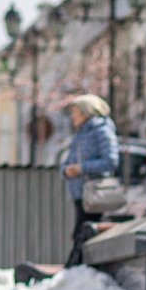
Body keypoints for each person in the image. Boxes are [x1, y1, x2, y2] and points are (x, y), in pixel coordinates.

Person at [60, 94, 119, 267]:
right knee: (80, 231)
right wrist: (66, 170)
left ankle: (75, 268)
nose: (72, 116)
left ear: (86, 111)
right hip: (80, 192)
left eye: (75, 112)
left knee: (83, 232)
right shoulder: (80, 134)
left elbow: (111, 161)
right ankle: (75, 268)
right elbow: (68, 161)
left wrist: (82, 168)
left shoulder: (101, 130)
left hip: (95, 192)